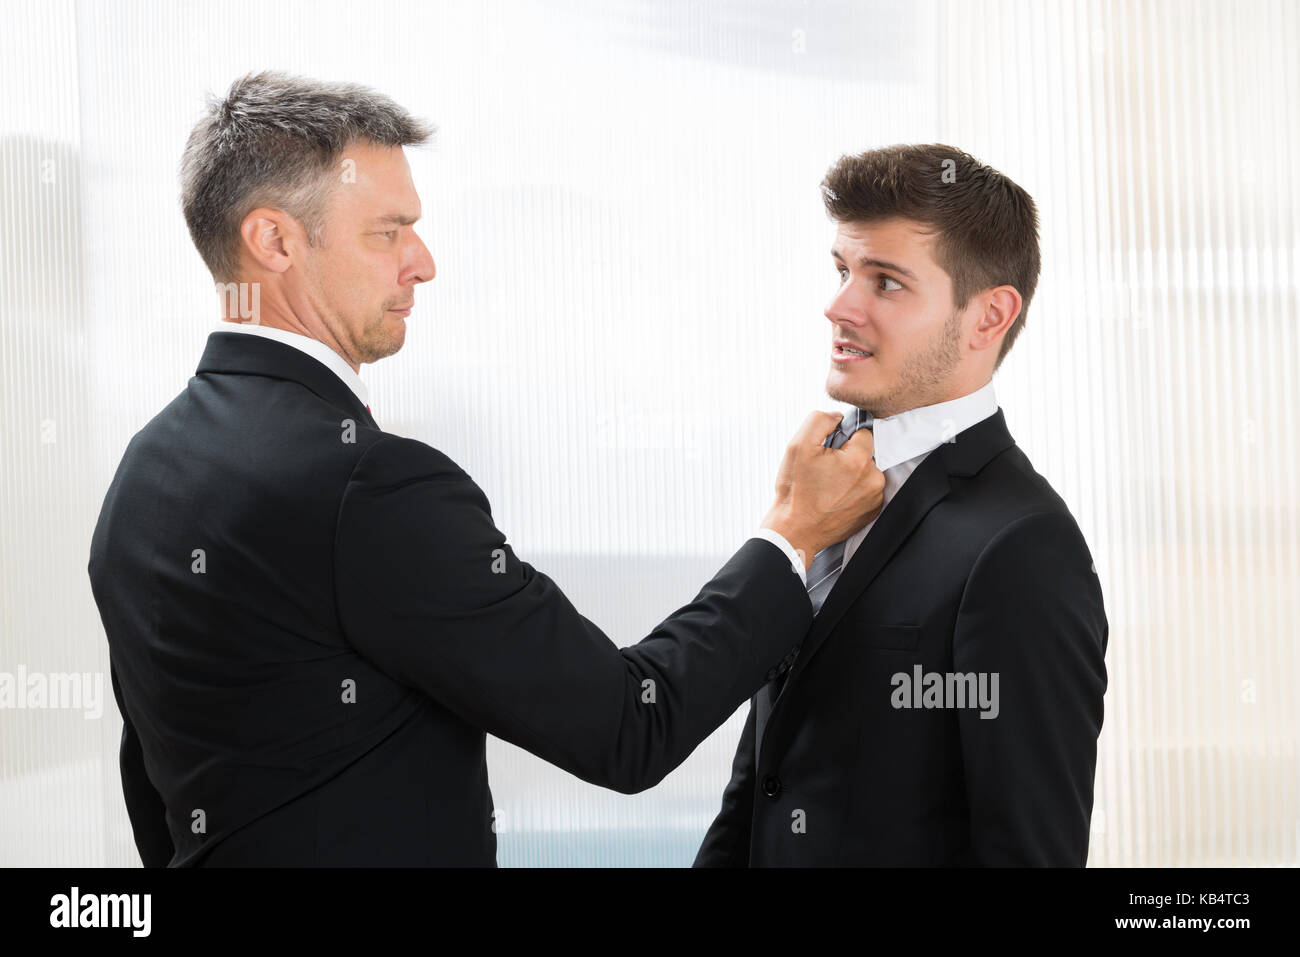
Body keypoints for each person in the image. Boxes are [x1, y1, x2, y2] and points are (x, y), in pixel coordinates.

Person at [87, 71, 885, 867]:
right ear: (275, 241)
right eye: (387, 231)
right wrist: (793, 534)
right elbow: (626, 727)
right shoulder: (369, 488)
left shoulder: (145, 472)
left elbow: (157, 789)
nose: (422, 262)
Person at [695, 144, 1109, 867]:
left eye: (885, 282)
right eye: (843, 270)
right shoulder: (826, 487)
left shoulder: (1021, 548)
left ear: (989, 317)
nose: (839, 305)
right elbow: (761, 782)